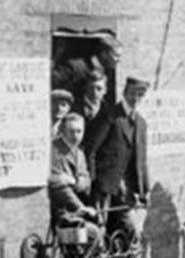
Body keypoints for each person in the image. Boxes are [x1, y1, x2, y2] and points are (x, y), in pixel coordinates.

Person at [92, 77, 150, 238]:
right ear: (124, 93)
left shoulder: (141, 123)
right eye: (132, 93)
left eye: (140, 95)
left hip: (127, 190)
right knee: (100, 233)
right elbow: (92, 150)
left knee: (131, 235)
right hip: (105, 187)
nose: (135, 99)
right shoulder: (110, 116)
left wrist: (144, 190)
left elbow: (142, 161)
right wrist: (93, 180)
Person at [48, 113, 102, 244]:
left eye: (79, 131)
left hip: (76, 211)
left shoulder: (80, 154)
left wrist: (74, 181)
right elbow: (57, 187)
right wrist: (80, 207)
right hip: (61, 212)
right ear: (63, 131)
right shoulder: (53, 150)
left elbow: (86, 182)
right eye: (71, 131)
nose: (76, 136)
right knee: (94, 235)